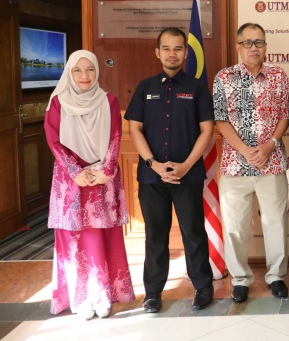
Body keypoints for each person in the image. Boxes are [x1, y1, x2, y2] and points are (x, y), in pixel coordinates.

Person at [125, 27, 216, 312]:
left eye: (178, 48)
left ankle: (203, 287)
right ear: (158, 52)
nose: (172, 53)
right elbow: (134, 129)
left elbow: (207, 130)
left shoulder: (197, 87)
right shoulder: (145, 87)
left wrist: (186, 166)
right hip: (152, 176)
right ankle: (153, 292)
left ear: (186, 53)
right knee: (155, 236)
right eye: (166, 48)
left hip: (188, 176)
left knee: (193, 233)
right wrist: (153, 163)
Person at [45, 50, 135, 319]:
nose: (85, 76)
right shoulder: (58, 103)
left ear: (97, 72)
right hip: (70, 180)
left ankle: (103, 295)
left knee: (100, 235)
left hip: (101, 178)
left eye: (90, 70)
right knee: (74, 237)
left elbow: (115, 136)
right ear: (69, 73)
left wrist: (106, 170)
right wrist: (75, 172)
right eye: (78, 71)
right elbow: (53, 140)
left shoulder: (108, 101)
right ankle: (81, 298)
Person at [213, 23, 289, 303]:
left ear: (266, 46)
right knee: (235, 226)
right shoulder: (224, 77)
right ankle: (240, 279)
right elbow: (220, 120)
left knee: (275, 223)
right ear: (238, 47)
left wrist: (270, 145)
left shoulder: (279, 76)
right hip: (235, 165)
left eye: (259, 42)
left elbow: (285, 115)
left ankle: (276, 276)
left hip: (272, 163)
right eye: (247, 43)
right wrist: (246, 151)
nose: (253, 48)